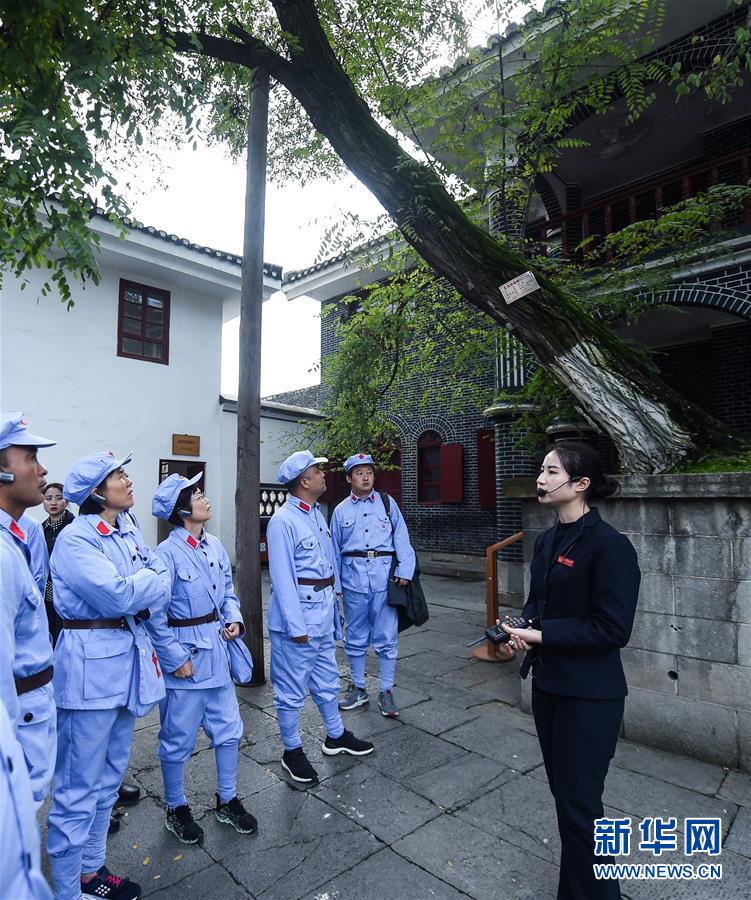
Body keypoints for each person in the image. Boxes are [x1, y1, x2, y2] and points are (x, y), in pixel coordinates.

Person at [502, 441, 640, 900]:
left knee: (581, 807)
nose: (540, 480)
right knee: (568, 802)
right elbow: (536, 607)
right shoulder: (547, 540)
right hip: (550, 687)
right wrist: (518, 632)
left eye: (551, 472)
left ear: (581, 484)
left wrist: (542, 635)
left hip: (591, 696)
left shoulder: (610, 546)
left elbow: (611, 629)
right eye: (541, 469)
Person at [47, 451, 171, 900]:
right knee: (78, 788)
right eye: (119, 475)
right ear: (98, 491)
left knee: (107, 782)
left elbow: (157, 581)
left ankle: (90, 871)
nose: (128, 480)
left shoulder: (125, 530)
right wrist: (149, 579)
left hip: (125, 664)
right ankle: (65, 890)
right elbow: (119, 596)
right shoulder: (77, 539)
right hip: (88, 674)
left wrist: (148, 581)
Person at [150, 473, 257, 844]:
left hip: (217, 653)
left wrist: (234, 621)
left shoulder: (213, 545)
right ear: (181, 510)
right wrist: (174, 657)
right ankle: (175, 807)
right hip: (187, 659)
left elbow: (228, 591)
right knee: (177, 738)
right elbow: (155, 615)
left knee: (229, 731)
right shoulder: (165, 555)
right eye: (196, 495)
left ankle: (227, 799)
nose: (204, 498)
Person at [266, 450, 375, 784]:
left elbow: (329, 562)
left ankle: (335, 734)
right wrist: (296, 626)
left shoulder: (314, 514)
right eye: (318, 470)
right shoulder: (283, 521)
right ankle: (291, 749)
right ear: (304, 480)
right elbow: (282, 578)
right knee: (291, 687)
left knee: (327, 679)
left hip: (323, 611)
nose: (324, 475)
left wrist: (337, 600)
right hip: (298, 618)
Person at [0, 412, 58, 810]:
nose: (42, 470)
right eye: (30, 457)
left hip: (32, 711)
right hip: (18, 719)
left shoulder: (18, 535)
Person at [330, 452, 416, 718]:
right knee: (354, 636)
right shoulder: (341, 510)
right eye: (359, 473)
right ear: (349, 478)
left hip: (384, 580)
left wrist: (405, 569)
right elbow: (333, 548)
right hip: (353, 579)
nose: (365, 477)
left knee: (386, 637)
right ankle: (358, 687)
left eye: (369, 472)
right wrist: (336, 584)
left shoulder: (388, 504)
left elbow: (401, 536)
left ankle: (386, 691)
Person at [41, 483, 75, 646]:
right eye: (48, 498)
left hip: (69, 591)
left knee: (67, 637)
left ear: (66, 502)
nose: (53, 502)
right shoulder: (40, 529)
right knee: (48, 635)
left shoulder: (75, 527)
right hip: (46, 593)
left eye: (59, 498)